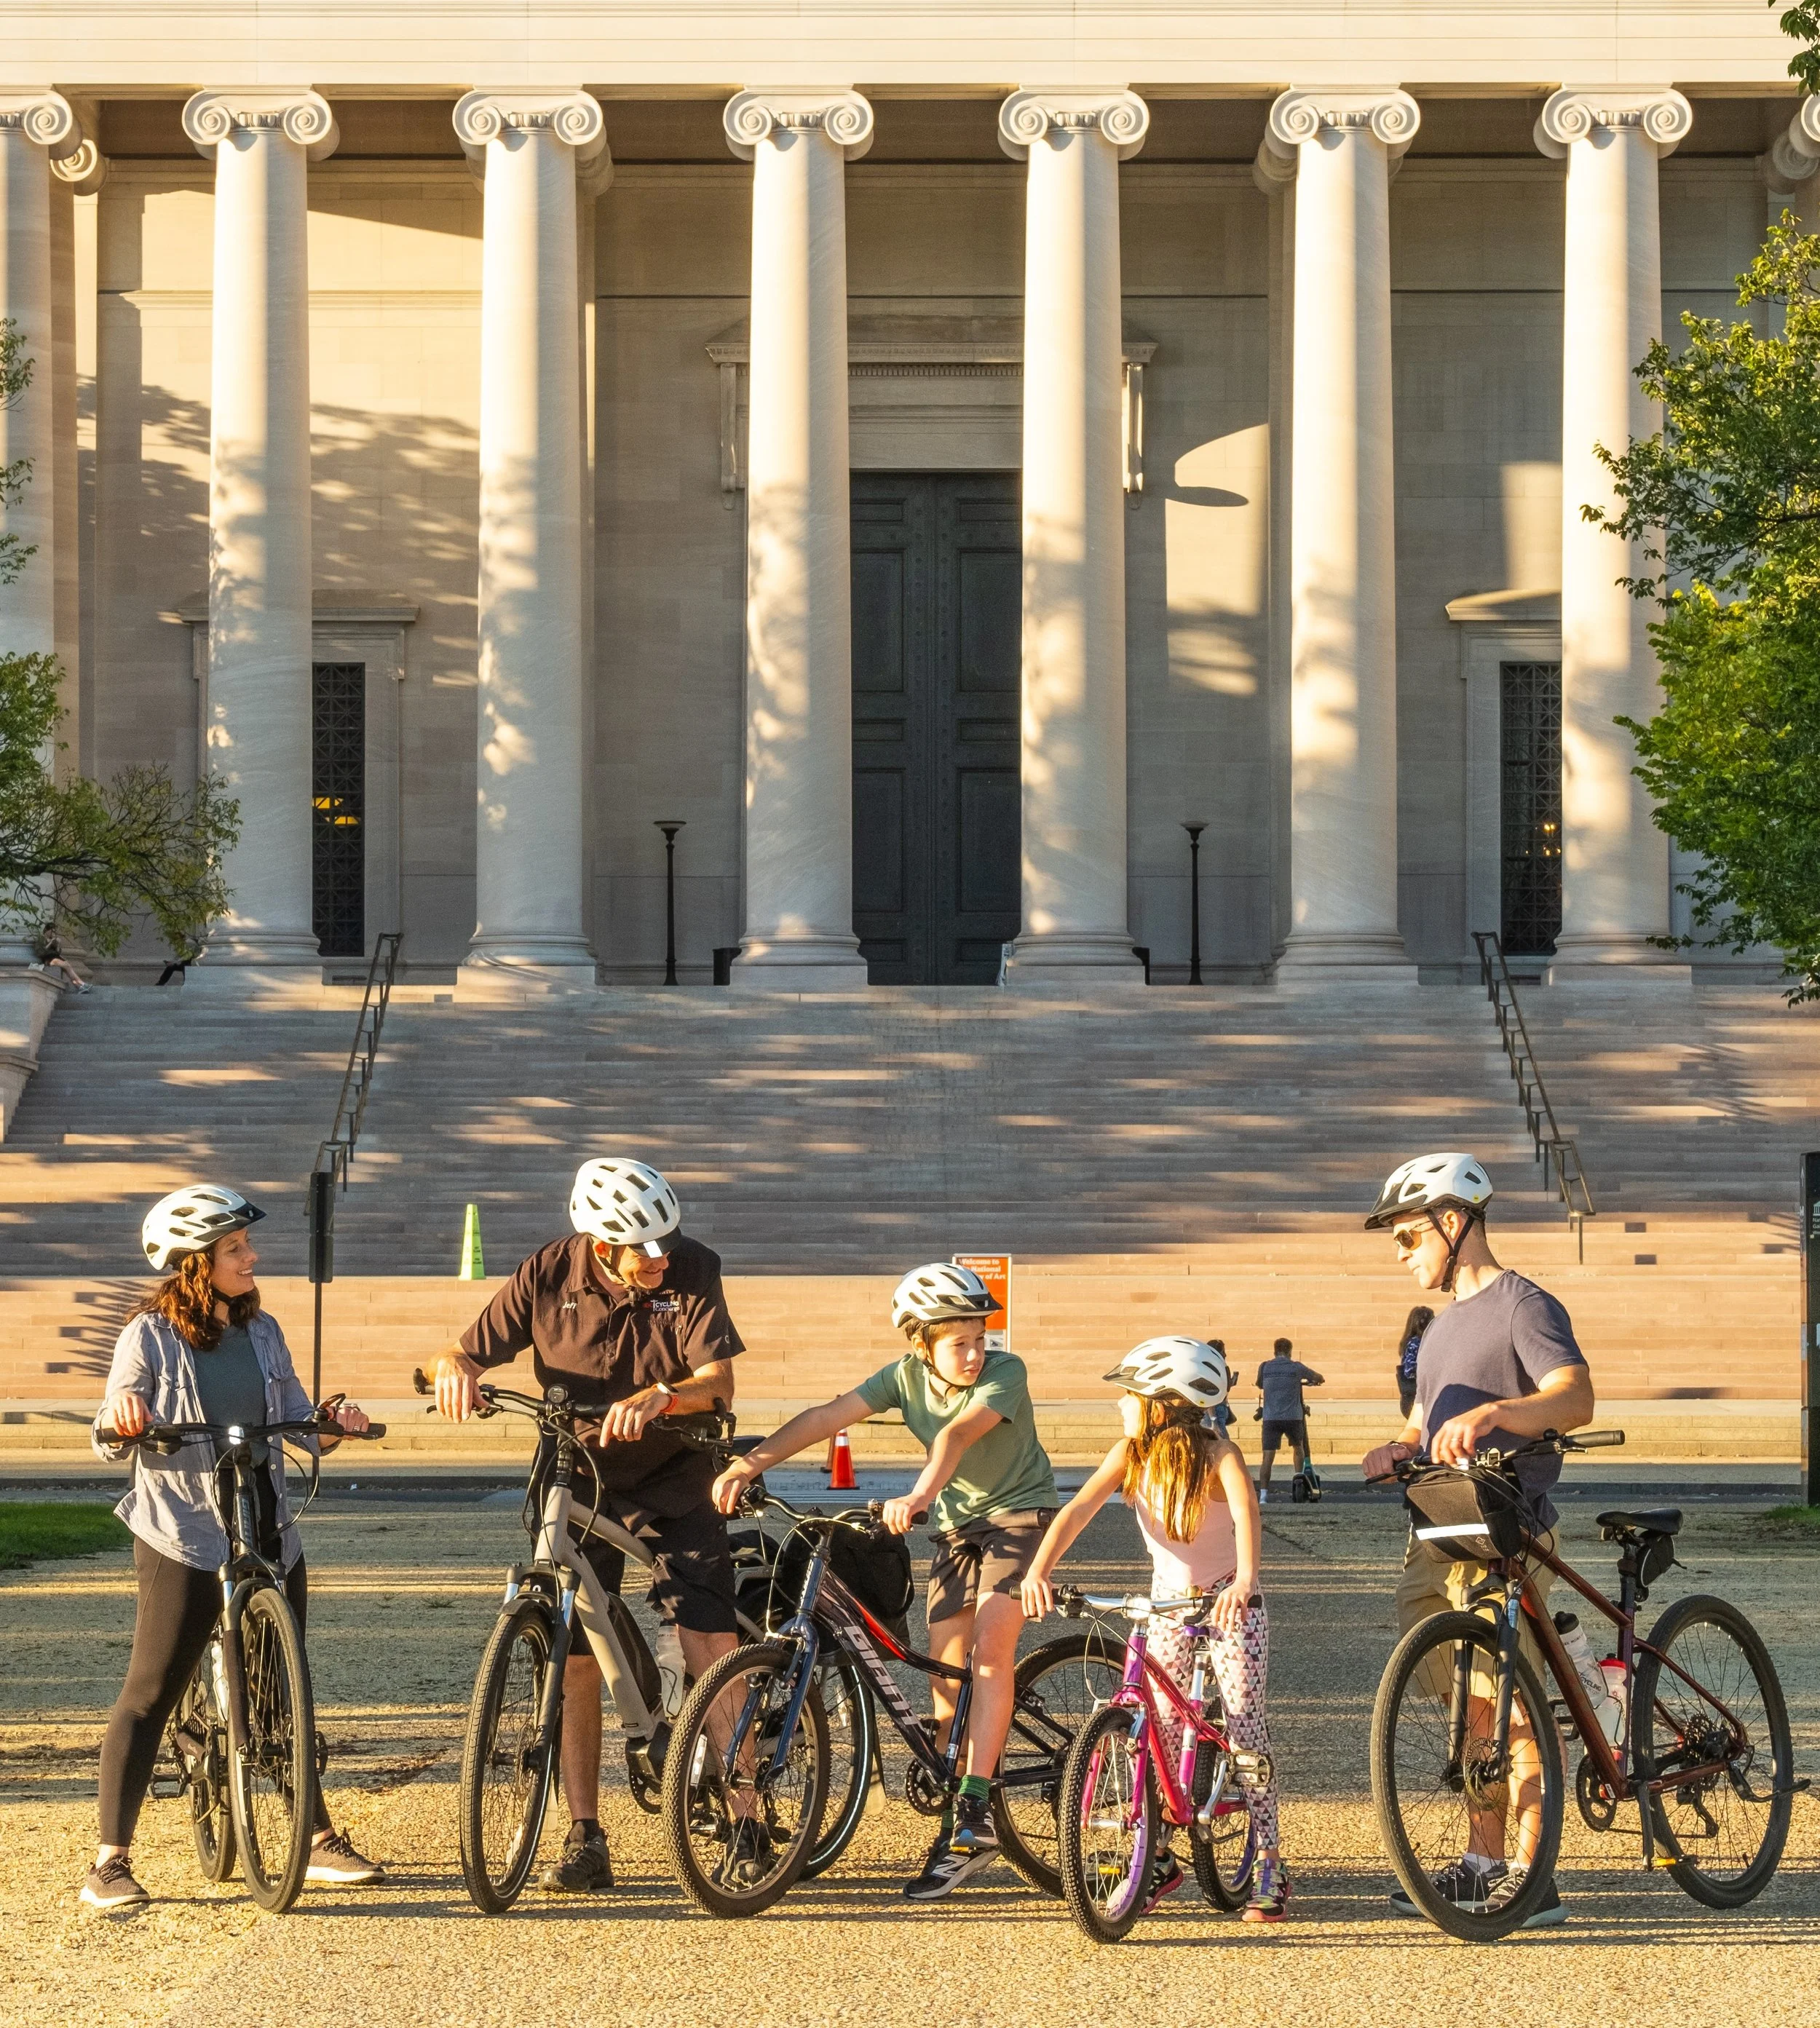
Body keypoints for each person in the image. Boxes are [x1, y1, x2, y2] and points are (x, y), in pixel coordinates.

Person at [435, 1156, 743, 1895]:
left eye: (665, 1239)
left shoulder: (693, 1268)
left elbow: (718, 1383)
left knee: (705, 1631)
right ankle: (584, 1832)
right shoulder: (548, 1270)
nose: (660, 1256)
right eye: (643, 1247)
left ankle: (744, 1812)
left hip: (676, 1472)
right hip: (576, 1471)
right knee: (568, 1644)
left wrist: (664, 1397)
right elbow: (464, 1347)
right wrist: (453, 1366)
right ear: (602, 1246)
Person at [713, 1260, 1057, 1903]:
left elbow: (958, 1434)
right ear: (921, 1344)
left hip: (1019, 1518)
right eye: (960, 1343)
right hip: (958, 1531)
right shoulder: (903, 1378)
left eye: (981, 1337)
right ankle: (960, 1798)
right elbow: (828, 1415)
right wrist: (749, 1463)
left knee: (989, 1653)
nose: (977, 1352)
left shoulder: (1006, 1374)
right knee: (942, 1666)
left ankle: (976, 1812)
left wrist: (920, 1493)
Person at [84, 1185, 384, 1910]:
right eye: (235, 1249)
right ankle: (108, 1862)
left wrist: (333, 1420)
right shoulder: (149, 1336)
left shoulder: (264, 1331)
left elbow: (297, 1423)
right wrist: (125, 1417)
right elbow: (111, 1421)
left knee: (288, 1685)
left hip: (267, 1522)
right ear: (196, 1262)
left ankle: (313, 1839)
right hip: (182, 1531)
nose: (251, 1257)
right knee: (151, 1688)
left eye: (245, 1246)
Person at [1361, 1150, 1594, 1929]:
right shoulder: (1434, 1332)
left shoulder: (1520, 1303)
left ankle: (1534, 1878)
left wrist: (1498, 1414)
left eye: (1407, 1238)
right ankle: (1482, 1861)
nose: (1402, 1255)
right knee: (1471, 1708)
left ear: (1452, 1221)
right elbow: (1421, 1423)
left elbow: (1575, 1395)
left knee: (1515, 1702)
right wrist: (1396, 1445)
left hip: (1504, 1526)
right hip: (1437, 1529)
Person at [1021, 1336, 1289, 1922]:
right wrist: (1039, 1570)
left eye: (1130, 1396)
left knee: (1243, 1721)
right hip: (1167, 1600)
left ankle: (1269, 1858)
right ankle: (1159, 1855)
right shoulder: (1131, 1452)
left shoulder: (1221, 1455)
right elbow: (1076, 1510)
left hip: (1226, 1599)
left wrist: (1245, 1581)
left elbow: (1246, 1515)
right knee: (1159, 1723)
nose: (1121, 1405)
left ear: (1163, 1403)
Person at [1254, 1336, 1323, 1503]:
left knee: (1267, 1458)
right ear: (1290, 1351)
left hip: (1271, 1418)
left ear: (1275, 1351)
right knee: (1299, 1448)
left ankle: (1263, 1496)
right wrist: (1313, 1381)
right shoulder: (1296, 1367)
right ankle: (1298, 1481)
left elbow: (1260, 1384)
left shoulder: (1265, 1367)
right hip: (1293, 1417)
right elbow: (1319, 1377)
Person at [1396, 1304, 1435, 1422]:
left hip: (1414, 1398)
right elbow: (1410, 1370)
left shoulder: (1412, 1341)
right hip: (1415, 1399)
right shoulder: (1416, 1342)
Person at [31, 922, 91, 994]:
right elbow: (41, 953)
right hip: (48, 959)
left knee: (67, 968)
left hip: (55, 957)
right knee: (66, 965)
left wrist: (57, 945)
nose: (53, 933)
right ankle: (82, 983)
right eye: (52, 931)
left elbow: (58, 952)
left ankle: (79, 987)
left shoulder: (52, 939)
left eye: (54, 932)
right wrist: (50, 943)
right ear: (47, 930)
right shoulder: (40, 939)